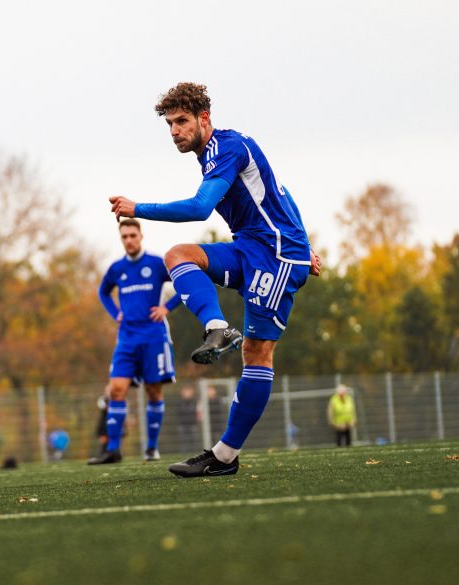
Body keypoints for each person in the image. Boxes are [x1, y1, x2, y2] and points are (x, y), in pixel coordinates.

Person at [111, 82, 321, 477]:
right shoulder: (213, 154)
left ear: (204, 118)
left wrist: (138, 207)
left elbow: (200, 207)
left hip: (275, 258)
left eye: (182, 121)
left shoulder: (227, 149)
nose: (174, 131)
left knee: (257, 354)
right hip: (252, 248)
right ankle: (217, 326)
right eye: (170, 124)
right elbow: (280, 192)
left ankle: (224, 456)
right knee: (179, 256)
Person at [88, 218, 181, 465]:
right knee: (116, 389)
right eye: (124, 236)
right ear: (121, 239)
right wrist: (115, 312)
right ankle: (113, 449)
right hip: (126, 338)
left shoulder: (156, 263)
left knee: (153, 390)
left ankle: (151, 448)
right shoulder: (117, 268)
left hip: (153, 336)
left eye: (132, 235)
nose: (129, 240)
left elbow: (185, 282)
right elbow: (103, 292)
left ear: (141, 236)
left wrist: (167, 307)